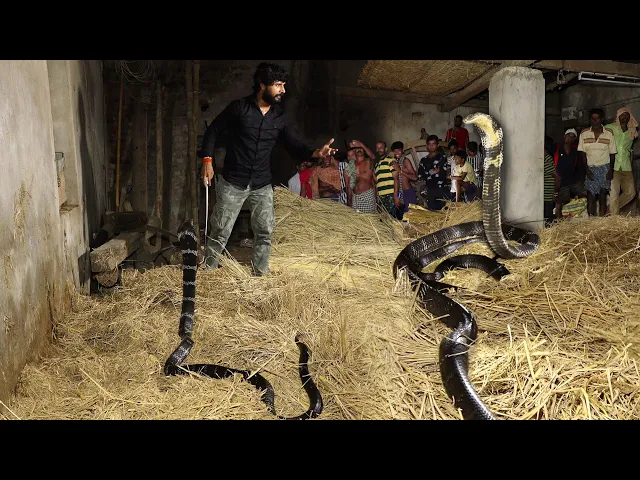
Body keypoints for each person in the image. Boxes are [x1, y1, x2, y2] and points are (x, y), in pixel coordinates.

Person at [199, 62, 337, 276]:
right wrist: (207, 160)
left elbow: (295, 145)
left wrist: (316, 153)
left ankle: (260, 274)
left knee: (264, 231)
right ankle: (209, 271)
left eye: (284, 85)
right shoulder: (239, 108)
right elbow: (213, 131)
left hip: (262, 184)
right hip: (233, 181)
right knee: (220, 230)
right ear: (263, 85)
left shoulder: (280, 117)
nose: (283, 90)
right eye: (278, 85)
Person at [577, 108, 617, 216]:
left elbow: (612, 154)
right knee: (591, 195)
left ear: (602, 119)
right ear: (590, 119)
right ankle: (591, 219)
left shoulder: (609, 133)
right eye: (592, 119)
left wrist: (611, 170)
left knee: (603, 195)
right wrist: (587, 170)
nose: (595, 121)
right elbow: (582, 154)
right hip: (591, 168)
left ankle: (601, 219)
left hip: (605, 168)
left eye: (597, 118)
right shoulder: (584, 133)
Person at [605, 106, 638, 215]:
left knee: (631, 193)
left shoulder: (632, 131)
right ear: (618, 116)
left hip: (626, 165)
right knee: (614, 193)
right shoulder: (610, 128)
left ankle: (611, 208)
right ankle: (613, 217)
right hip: (612, 165)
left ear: (630, 117)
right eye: (622, 115)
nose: (624, 117)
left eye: (627, 115)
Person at [553, 129, 586, 219]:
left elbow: (579, 166)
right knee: (560, 201)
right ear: (564, 136)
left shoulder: (575, 150)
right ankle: (559, 220)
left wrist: (581, 179)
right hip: (561, 182)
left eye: (572, 137)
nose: (570, 138)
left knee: (586, 194)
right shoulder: (557, 148)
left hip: (573, 180)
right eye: (568, 136)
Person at [417, 135, 448, 210]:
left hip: (442, 189)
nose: (431, 146)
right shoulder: (423, 160)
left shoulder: (442, 157)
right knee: (431, 211)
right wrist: (432, 172)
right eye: (429, 144)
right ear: (426, 146)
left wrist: (429, 173)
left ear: (437, 145)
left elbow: (444, 172)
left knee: (443, 211)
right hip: (429, 189)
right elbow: (420, 175)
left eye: (433, 144)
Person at [390, 141, 418, 215]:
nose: (397, 153)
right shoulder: (395, 162)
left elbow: (414, 178)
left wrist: (400, 170)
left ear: (402, 150)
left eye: (398, 150)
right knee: (403, 216)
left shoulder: (405, 161)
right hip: (400, 193)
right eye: (395, 151)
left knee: (411, 216)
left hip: (408, 193)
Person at [350, 144, 377, 213]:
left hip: (367, 195)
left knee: (369, 218)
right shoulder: (351, 165)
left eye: (361, 148)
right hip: (355, 196)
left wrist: (361, 144)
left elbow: (373, 157)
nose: (359, 150)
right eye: (357, 148)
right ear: (354, 151)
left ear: (364, 150)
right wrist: (349, 200)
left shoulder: (368, 162)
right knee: (356, 218)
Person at [374, 146, 400, 216]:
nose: (379, 149)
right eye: (377, 148)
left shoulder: (391, 161)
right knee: (385, 219)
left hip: (390, 196)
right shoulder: (376, 165)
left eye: (381, 147)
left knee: (393, 218)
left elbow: (396, 179)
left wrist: (395, 196)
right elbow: (377, 182)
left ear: (385, 149)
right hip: (381, 197)